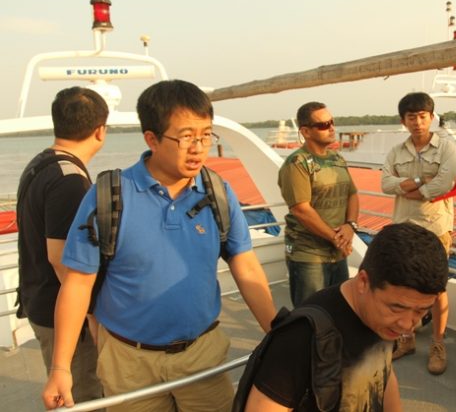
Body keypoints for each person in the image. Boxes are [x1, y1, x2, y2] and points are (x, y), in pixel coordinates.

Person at [42, 79, 277, 411]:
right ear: (151, 138)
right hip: (128, 363)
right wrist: (60, 368)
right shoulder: (109, 196)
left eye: (206, 135)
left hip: (202, 357)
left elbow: (246, 264)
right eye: (185, 137)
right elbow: (78, 283)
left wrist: (277, 333)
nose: (198, 147)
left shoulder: (218, 193)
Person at [244, 222, 449, 411]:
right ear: (363, 282)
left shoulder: (385, 322)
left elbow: (383, 374)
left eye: (421, 311)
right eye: (396, 308)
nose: (406, 325)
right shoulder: (303, 335)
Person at [16, 87, 108, 405]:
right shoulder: (70, 180)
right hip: (60, 313)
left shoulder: (41, 163)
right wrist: (92, 316)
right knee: (83, 396)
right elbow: (60, 259)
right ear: (100, 130)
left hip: (38, 299)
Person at [381, 92, 456, 375]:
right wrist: (418, 182)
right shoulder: (396, 152)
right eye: (411, 117)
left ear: (431, 117)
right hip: (403, 226)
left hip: (435, 228)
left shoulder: (446, 148)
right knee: (403, 285)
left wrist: (415, 191)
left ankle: (438, 344)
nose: (417, 122)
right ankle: (406, 338)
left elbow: (445, 183)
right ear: (403, 121)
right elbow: (385, 184)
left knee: (437, 289)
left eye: (423, 116)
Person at [278, 101, 359, 307]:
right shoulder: (297, 164)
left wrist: (350, 226)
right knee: (310, 315)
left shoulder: (337, 158)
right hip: (309, 255)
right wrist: (336, 238)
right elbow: (301, 210)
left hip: (337, 252)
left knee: (337, 311)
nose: (331, 127)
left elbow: (353, 194)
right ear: (305, 131)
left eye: (331, 122)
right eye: (323, 125)